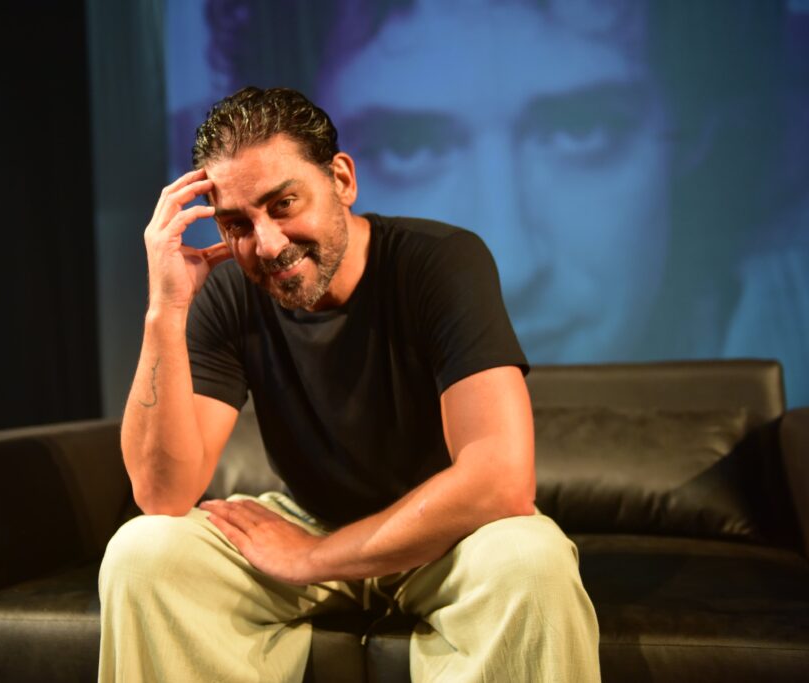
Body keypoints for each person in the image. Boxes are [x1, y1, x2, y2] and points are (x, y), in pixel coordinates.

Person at [98, 86, 600, 682]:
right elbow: (161, 495)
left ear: (341, 179)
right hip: (308, 519)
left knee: (531, 561)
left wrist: (314, 557)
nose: (267, 244)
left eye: (283, 203)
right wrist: (165, 310)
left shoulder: (440, 261)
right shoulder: (228, 290)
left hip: (449, 537)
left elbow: (500, 480)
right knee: (143, 553)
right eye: (237, 224)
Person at [183, 0, 809, 407]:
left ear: (701, 137)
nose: (512, 264)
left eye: (581, 131)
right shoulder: (246, 319)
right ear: (334, 177)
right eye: (409, 146)